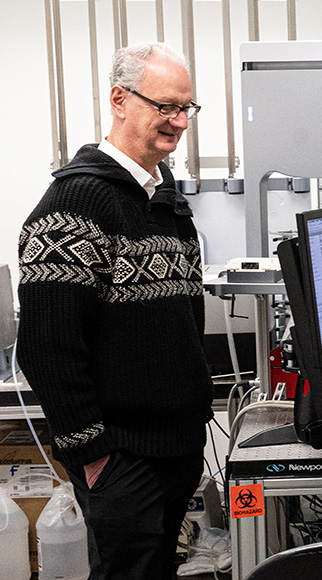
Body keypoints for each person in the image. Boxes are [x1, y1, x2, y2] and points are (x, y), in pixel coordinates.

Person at [16, 42, 214, 580]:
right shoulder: (73, 205)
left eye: (186, 108)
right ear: (119, 100)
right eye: (165, 106)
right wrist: (92, 455)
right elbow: (45, 347)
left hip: (175, 445)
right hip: (122, 458)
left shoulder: (163, 194)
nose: (178, 122)